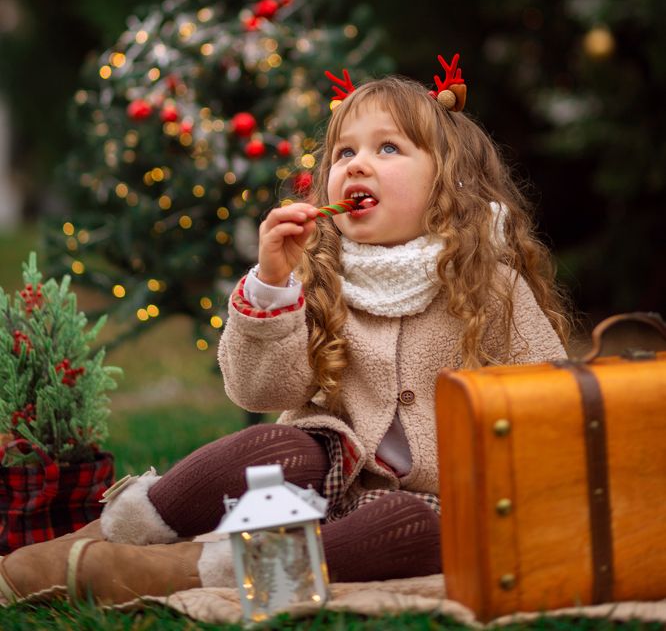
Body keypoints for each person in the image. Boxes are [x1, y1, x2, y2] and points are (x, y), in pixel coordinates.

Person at [100, 60, 572, 583]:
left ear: (448, 182)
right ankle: (126, 531)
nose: (357, 164)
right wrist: (272, 283)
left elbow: (552, 405)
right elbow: (258, 391)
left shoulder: (491, 284)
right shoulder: (317, 275)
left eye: (387, 148)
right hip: (328, 491)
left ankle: (211, 571)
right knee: (278, 446)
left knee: (409, 519)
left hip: (441, 506)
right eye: (344, 152)